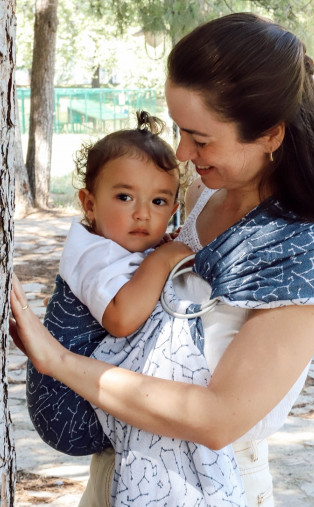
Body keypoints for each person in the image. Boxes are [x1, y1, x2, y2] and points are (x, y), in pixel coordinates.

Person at [10, 12, 314, 507]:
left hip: (205, 500)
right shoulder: (204, 195)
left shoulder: (305, 249)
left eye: (200, 138)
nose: (181, 154)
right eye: (181, 131)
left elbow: (217, 418)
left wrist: (57, 360)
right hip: (118, 472)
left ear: (271, 134)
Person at [25, 111, 193, 456]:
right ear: (89, 204)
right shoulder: (93, 254)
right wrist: (162, 259)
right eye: (124, 197)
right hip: (69, 408)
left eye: (158, 202)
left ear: (173, 209)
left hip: (86, 396)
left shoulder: (119, 246)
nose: (142, 213)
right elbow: (120, 319)